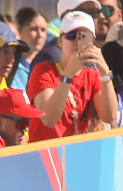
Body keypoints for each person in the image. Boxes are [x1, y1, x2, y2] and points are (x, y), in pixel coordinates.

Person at [26, 11, 117, 142]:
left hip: (75, 150)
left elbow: (109, 116)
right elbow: (49, 120)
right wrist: (68, 75)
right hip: (46, 152)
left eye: (84, 36)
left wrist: (105, 73)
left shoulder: (92, 76)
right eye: (72, 35)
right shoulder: (43, 70)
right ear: (60, 41)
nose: (76, 41)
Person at [28, 0, 105, 73]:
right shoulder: (49, 57)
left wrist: (106, 74)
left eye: (94, 12)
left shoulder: (96, 53)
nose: (88, 18)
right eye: (83, 13)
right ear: (65, 17)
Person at [12, 8, 49, 91]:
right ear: (19, 30)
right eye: (33, 29)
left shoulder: (47, 63)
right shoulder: (10, 63)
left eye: (43, 30)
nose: (40, 35)